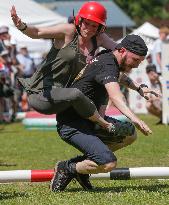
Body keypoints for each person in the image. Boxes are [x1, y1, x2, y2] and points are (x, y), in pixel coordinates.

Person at [50, 34, 160, 192]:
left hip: (92, 121)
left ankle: (82, 170)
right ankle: (67, 168)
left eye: (140, 62)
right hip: (72, 124)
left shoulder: (108, 59)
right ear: (122, 50)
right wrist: (135, 118)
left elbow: (119, 76)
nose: (136, 65)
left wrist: (139, 87)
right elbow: (116, 96)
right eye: (135, 60)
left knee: (129, 134)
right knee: (108, 163)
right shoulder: (107, 64)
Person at [10, 2, 119, 131]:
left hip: (66, 97)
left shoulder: (99, 39)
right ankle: (103, 124)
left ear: (100, 27)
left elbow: (120, 51)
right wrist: (22, 26)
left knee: (103, 78)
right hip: (42, 95)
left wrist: (139, 87)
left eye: (94, 25)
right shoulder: (69, 31)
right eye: (86, 23)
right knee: (76, 93)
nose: (89, 28)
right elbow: (38, 32)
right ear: (79, 20)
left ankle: (98, 123)